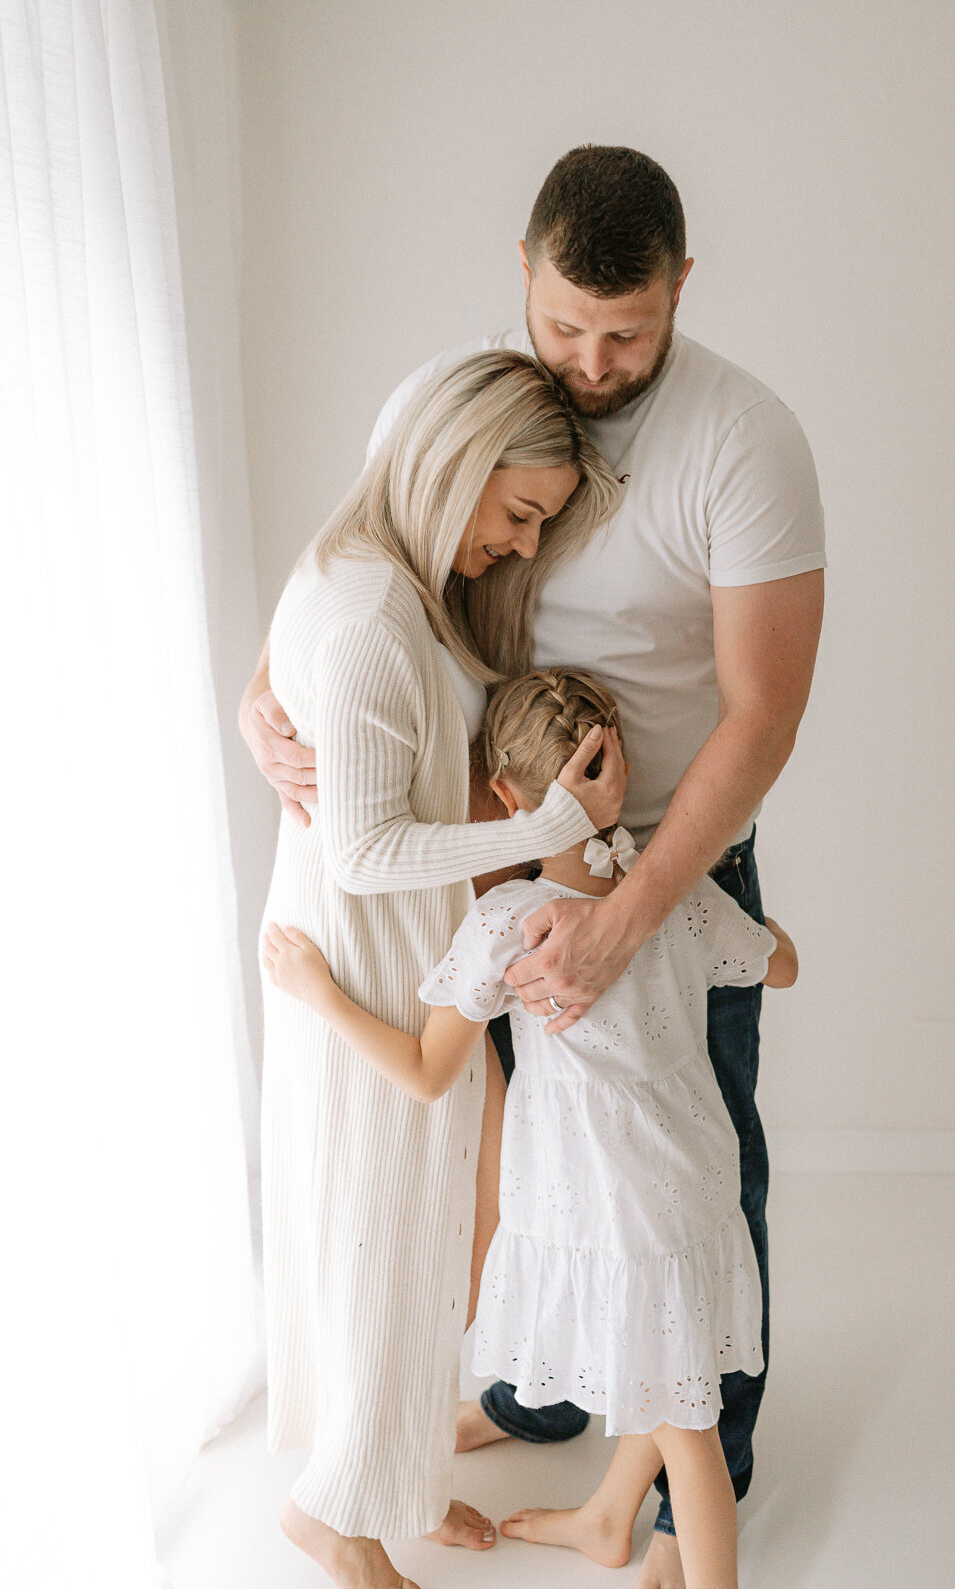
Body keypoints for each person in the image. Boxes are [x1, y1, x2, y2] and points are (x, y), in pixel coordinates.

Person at [241, 144, 825, 1589]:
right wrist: (259, 693)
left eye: (627, 331)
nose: (595, 358)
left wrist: (633, 906)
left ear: (683, 287)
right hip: (490, 866)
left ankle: (702, 1473)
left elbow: (764, 714)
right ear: (523, 273)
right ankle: (538, 1390)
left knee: (693, 1153)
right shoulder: (457, 411)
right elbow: (356, 560)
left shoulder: (746, 441)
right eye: (567, 325)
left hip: (664, 857)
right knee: (520, 1161)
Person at [261, 667, 798, 1589]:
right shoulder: (667, 895)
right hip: (696, 1184)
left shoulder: (507, 922)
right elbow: (779, 965)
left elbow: (429, 1070)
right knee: (660, 1369)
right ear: (617, 771)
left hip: (617, 1212)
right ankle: (604, 1518)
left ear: (505, 797)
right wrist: (704, 914)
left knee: (689, 1430)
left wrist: (321, 996)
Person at [257, 350, 626, 1589]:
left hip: (376, 955)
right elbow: (364, 852)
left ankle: (385, 1480)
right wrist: (542, 834)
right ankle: (338, 1520)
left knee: (395, 1237)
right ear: (459, 464)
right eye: (518, 513)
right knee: (382, 1244)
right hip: (367, 959)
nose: (519, 547)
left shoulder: (369, 581)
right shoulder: (367, 617)